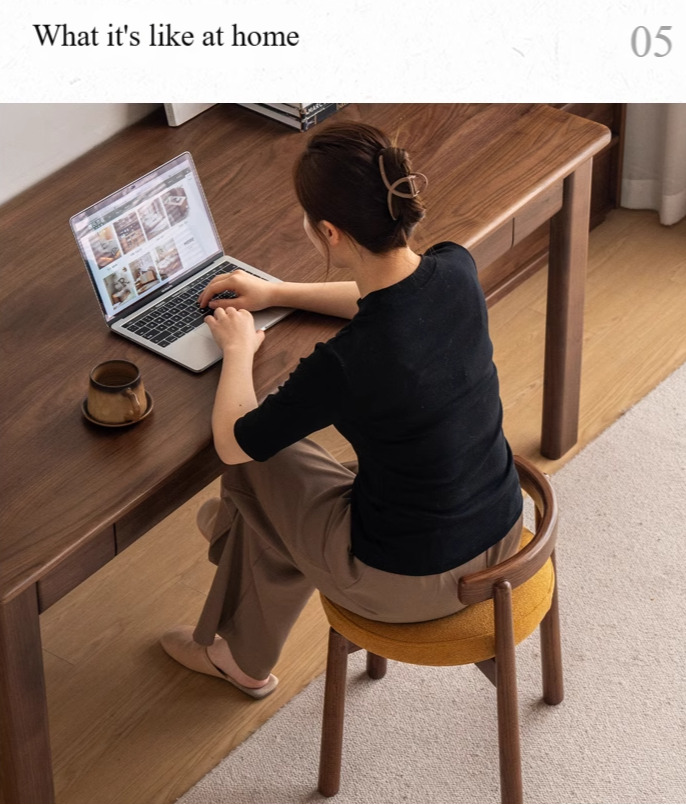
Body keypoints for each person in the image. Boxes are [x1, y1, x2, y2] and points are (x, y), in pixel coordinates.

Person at [160, 122, 524, 698]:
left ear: (328, 231)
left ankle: (237, 580)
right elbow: (380, 298)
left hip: (409, 581)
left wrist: (236, 349)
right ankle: (241, 594)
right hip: (503, 531)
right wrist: (277, 291)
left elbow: (235, 443)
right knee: (277, 477)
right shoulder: (456, 269)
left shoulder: (349, 363)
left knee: (256, 461)